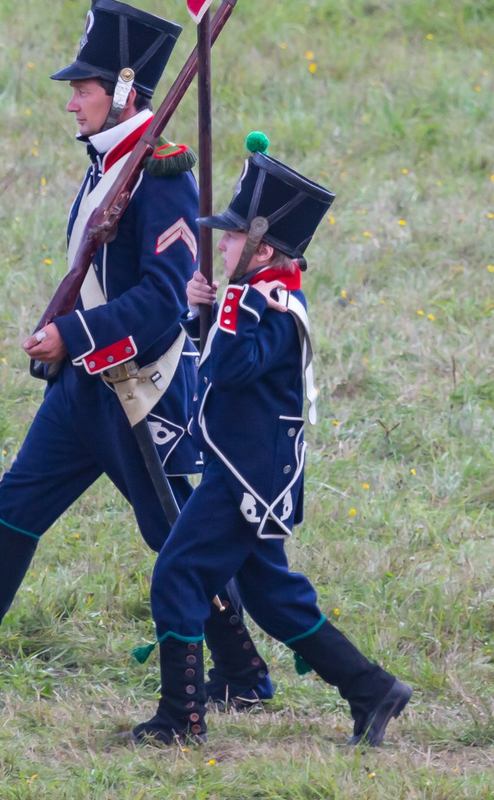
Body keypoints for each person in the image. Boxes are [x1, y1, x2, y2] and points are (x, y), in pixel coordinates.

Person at [0, 0, 274, 706]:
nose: (71, 99)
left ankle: (244, 672)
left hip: (135, 391)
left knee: (172, 535)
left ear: (125, 89)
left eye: (83, 86)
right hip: (83, 386)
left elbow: (161, 303)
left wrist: (69, 332)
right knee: (13, 506)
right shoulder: (111, 162)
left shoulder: (162, 174)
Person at [132, 135, 412, 746]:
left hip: (246, 473)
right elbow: (221, 366)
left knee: (177, 575)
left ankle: (180, 719)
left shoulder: (272, 305)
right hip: (244, 464)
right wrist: (204, 311)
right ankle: (372, 690)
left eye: (233, 237)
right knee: (273, 598)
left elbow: (231, 370)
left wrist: (226, 306)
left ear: (262, 246)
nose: (222, 243)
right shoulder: (253, 299)